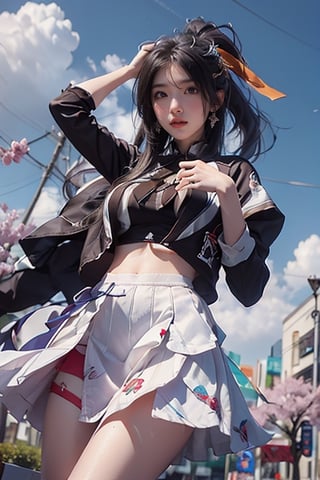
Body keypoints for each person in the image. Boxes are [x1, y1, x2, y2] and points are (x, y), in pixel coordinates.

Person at [0, 17, 285, 480]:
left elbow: (250, 286)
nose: (174, 106)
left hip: (171, 337)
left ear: (214, 99)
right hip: (96, 325)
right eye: (160, 93)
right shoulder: (132, 164)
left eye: (188, 90)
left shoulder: (235, 176)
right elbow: (67, 108)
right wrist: (133, 69)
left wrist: (228, 199)